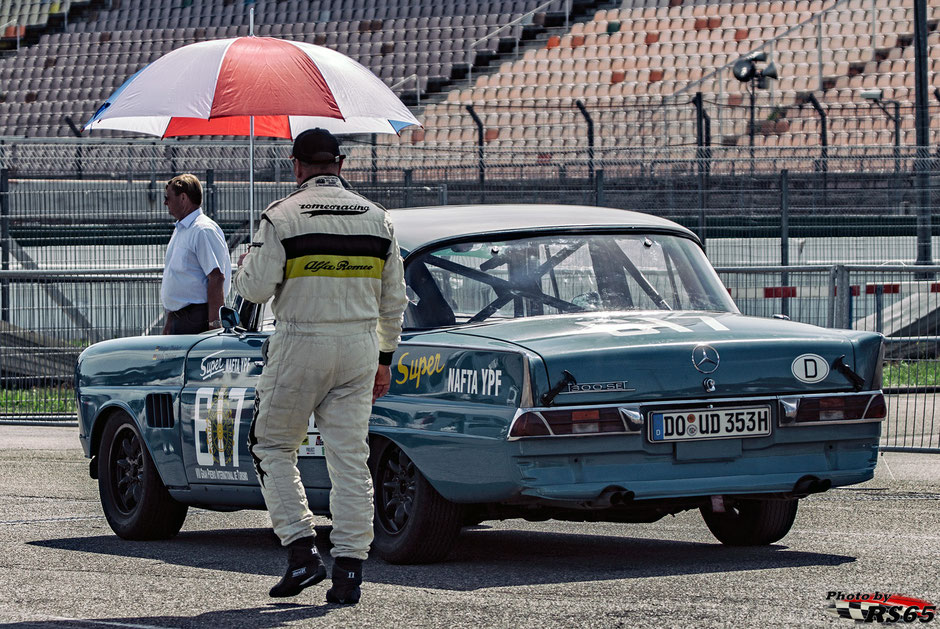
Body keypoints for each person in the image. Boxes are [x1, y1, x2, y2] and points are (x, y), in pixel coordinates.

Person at [234, 128, 407, 604]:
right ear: (341, 162)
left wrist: (248, 260)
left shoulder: (281, 216)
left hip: (300, 342)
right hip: (360, 347)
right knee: (351, 461)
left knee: (271, 446)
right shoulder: (378, 219)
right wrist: (385, 359)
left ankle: (301, 551)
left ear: (296, 166)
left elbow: (253, 291)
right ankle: (349, 570)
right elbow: (395, 301)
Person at [161, 174, 231, 334]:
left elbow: (216, 276)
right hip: (181, 318)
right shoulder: (183, 229)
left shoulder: (202, 230)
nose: (165, 203)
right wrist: (170, 321)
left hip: (196, 318)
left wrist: (214, 325)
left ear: (183, 198)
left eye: (168, 198)